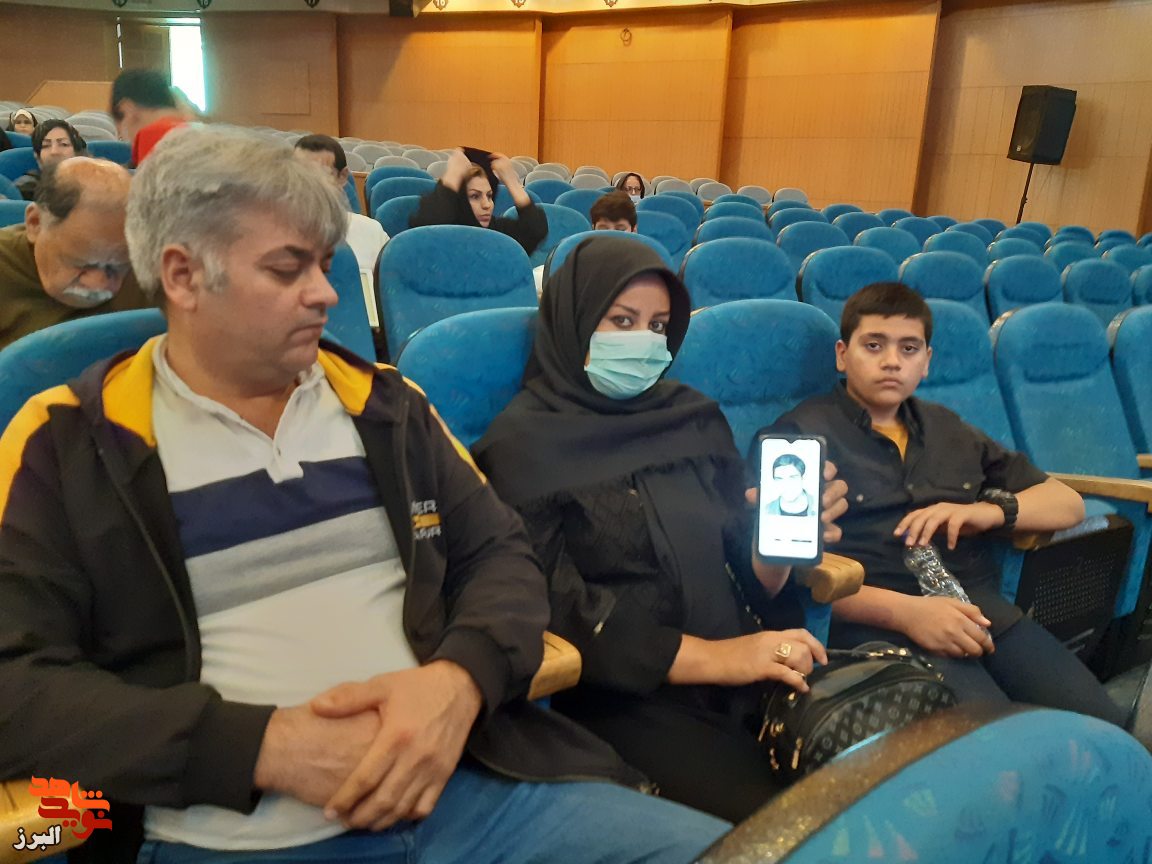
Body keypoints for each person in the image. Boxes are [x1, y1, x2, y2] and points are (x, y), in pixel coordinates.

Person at [0, 127, 729, 864]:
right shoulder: (66, 445)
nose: (326, 293)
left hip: (469, 793)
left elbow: (502, 555)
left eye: (325, 265)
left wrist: (459, 681)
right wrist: (260, 747)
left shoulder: (386, 406)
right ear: (184, 277)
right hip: (229, 836)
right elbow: (15, 683)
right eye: (288, 269)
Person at [474, 235, 848, 822]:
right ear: (574, 322)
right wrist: (718, 658)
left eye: (658, 326)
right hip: (625, 694)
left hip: (749, 664)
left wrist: (775, 550)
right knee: (790, 828)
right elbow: (554, 604)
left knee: (876, 788)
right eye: (622, 321)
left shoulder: (691, 417)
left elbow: (742, 564)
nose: (644, 343)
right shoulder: (522, 447)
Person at [769, 281, 1125, 724]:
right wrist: (907, 614)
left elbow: (1066, 503)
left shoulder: (948, 428)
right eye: (874, 345)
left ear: (926, 362)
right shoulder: (799, 438)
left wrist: (986, 513)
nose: (892, 361)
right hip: (878, 624)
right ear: (843, 355)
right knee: (994, 744)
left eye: (909, 348)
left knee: (1102, 725)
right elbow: (783, 577)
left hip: (981, 611)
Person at [0, 157, 148, 350]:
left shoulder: (150, 269)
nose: (99, 283)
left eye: (118, 266)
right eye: (81, 264)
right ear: (35, 223)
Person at [293, 133, 388, 328]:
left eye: (320, 175)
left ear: (342, 177)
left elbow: (390, 297)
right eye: (299, 174)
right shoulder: (274, 232)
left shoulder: (371, 231)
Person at [409, 147, 547, 256]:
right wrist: (453, 176)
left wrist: (512, 182)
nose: (486, 205)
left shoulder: (495, 229)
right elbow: (425, 233)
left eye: (489, 196)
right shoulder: (446, 229)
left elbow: (535, 231)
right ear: (461, 200)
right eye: (475, 196)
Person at [110, 68, 186, 165]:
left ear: (128, 110)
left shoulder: (151, 138)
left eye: (120, 132)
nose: (123, 138)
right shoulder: (197, 131)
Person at [14, 119, 87, 200]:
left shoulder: (92, 185)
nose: (54, 151)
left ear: (77, 153)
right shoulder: (25, 188)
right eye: (46, 146)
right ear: (37, 156)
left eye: (64, 144)